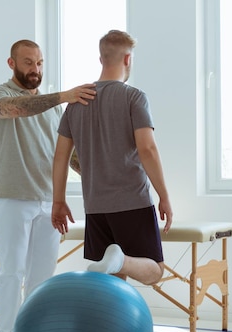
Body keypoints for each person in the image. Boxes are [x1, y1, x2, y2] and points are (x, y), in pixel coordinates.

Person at [0, 39, 97, 332]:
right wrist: (63, 96)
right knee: (12, 270)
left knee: (42, 275)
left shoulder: (53, 109)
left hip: (49, 200)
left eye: (40, 63)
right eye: (29, 62)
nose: (36, 69)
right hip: (12, 197)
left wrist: (96, 173)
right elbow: (14, 110)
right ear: (12, 63)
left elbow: (66, 156)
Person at [51, 30, 173, 289]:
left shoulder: (76, 103)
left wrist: (58, 201)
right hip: (132, 201)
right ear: (128, 59)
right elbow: (147, 149)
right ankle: (121, 261)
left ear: (101, 59)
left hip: (95, 205)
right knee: (154, 271)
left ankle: (118, 269)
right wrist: (164, 195)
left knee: (113, 281)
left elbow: (60, 157)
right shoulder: (133, 97)